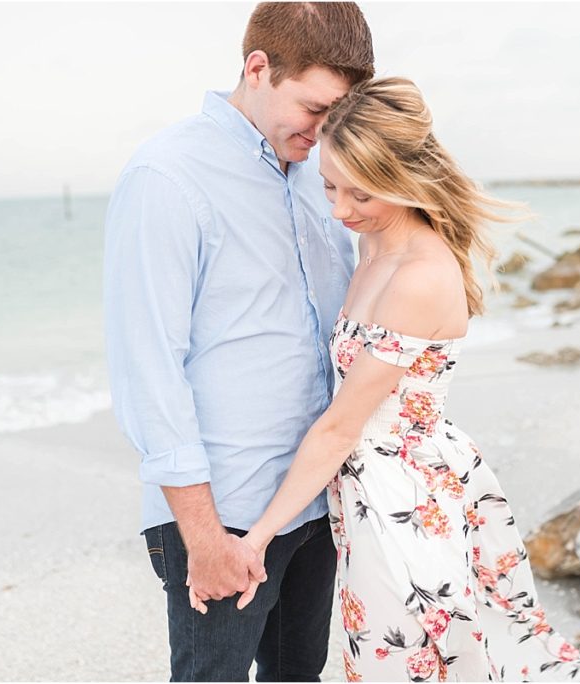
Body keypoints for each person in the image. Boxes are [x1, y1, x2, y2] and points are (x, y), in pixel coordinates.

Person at [205, 78, 580, 682]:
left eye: (362, 193)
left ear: (405, 180)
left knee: (405, 663)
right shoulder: (374, 245)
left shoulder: (419, 275)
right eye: (329, 185)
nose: (340, 209)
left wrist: (256, 539)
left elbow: (339, 428)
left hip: (403, 496)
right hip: (369, 489)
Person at [102, 3, 374, 681]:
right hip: (222, 516)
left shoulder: (323, 175)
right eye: (315, 107)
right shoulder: (168, 176)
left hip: (315, 504)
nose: (324, 130)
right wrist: (204, 536)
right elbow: (149, 368)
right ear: (258, 69)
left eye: (338, 115)